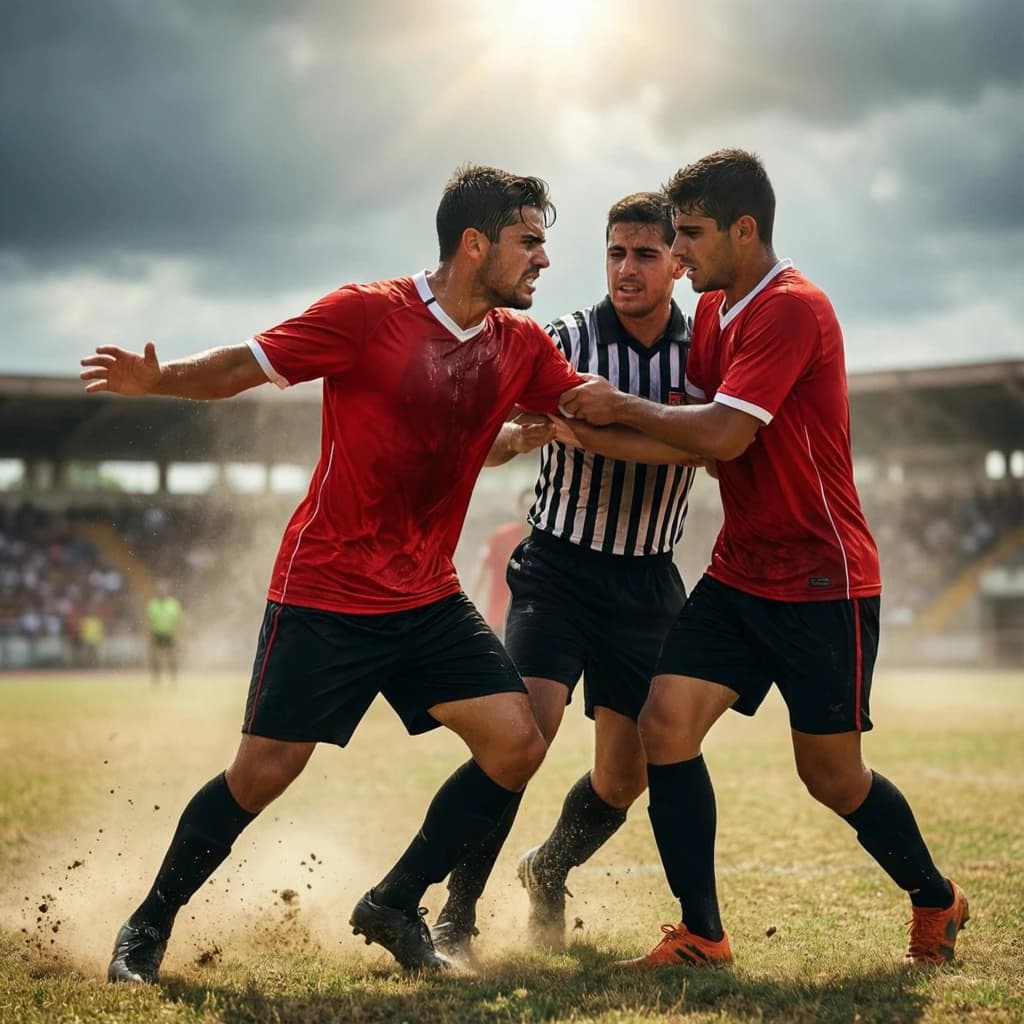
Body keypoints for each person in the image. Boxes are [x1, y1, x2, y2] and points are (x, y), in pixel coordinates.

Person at [80, 164, 585, 983]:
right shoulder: (365, 313)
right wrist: (160, 380)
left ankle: (395, 901)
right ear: (474, 243)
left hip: (427, 595)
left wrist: (712, 431)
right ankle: (146, 926)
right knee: (263, 775)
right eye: (528, 241)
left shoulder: (520, 345)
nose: (543, 259)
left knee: (516, 742)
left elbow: (583, 408)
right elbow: (243, 365)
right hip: (328, 590)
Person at [559, 149, 968, 969]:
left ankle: (936, 898)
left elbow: (722, 433)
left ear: (744, 230)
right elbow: (696, 442)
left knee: (831, 777)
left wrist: (617, 406)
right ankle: (702, 936)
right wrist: (585, 433)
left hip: (823, 578)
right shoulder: (714, 311)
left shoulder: (792, 309)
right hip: (741, 570)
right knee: (664, 723)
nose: (678, 255)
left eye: (691, 235)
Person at [433, 192, 701, 959]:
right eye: (616, 252)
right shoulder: (565, 339)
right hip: (558, 570)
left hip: (647, 581)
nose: (626, 268)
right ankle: (456, 914)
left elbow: (720, 442)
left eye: (645, 254)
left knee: (625, 776)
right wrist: (516, 438)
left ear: (677, 264)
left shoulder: (704, 353)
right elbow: (478, 438)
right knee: (521, 737)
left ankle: (548, 868)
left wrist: (623, 426)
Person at [468, 489, 534, 637]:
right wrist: (472, 602)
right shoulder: (501, 536)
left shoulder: (542, 543)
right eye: (526, 506)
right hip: (498, 617)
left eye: (533, 506)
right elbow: (482, 568)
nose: (529, 511)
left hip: (528, 621)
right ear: (519, 509)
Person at [146, 579, 183, 686]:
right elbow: (149, 621)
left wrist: (178, 635)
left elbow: (178, 621)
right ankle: (156, 680)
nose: (161, 592)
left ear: (167, 591)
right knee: (155, 658)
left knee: (172, 657)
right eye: (159, 590)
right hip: (157, 633)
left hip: (170, 634)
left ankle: (173, 680)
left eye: (163, 590)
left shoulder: (174, 605)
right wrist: (150, 635)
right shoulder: (152, 605)